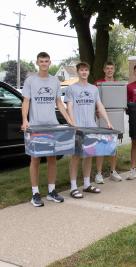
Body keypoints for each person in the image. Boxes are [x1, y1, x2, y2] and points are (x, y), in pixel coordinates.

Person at [21, 52, 74, 207]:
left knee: (52, 158)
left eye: (46, 61)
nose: (44, 63)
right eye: (41, 61)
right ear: (37, 63)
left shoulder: (55, 81)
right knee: (35, 159)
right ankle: (35, 194)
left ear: (50, 62)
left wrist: (70, 121)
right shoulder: (30, 80)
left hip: (52, 125)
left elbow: (59, 103)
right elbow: (26, 102)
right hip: (35, 126)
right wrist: (25, 120)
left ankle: (51, 191)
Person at [64, 62, 113, 198]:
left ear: (88, 72)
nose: (84, 72)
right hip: (77, 128)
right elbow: (69, 107)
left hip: (91, 127)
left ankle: (86, 184)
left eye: (86, 70)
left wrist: (108, 121)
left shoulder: (93, 89)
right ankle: (73, 187)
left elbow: (100, 105)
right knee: (75, 157)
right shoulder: (71, 89)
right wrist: (73, 124)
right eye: (81, 70)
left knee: (89, 155)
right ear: (77, 72)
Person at [94, 61, 123, 183]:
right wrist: (95, 110)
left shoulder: (118, 85)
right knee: (101, 145)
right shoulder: (98, 84)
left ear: (114, 70)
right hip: (102, 117)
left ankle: (113, 171)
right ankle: (98, 174)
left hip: (115, 116)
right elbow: (94, 100)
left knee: (113, 146)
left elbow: (122, 101)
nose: (110, 70)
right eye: (108, 68)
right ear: (104, 70)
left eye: (112, 68)